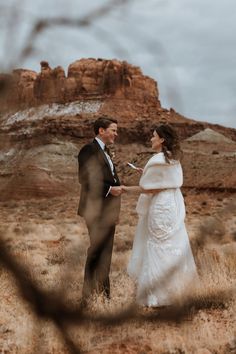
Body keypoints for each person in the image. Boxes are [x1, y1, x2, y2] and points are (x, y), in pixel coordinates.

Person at [123, 124, 198, 307]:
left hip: (161, 205)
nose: (151, 139)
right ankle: (179, 293)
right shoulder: (172, 158)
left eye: (154, 136)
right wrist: (147, 174)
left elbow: (150, 188)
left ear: (162, 140)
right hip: (173, 204)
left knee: (157, 245)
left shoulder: (157, 160)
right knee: (173, 242)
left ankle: (159, 296)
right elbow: (166, 181)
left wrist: (125, 188)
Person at [78, 117, 122, 301]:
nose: (116, 133)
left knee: (106, 253)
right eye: (113, 130)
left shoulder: (106, 152)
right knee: (96, 251)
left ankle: (104, 296)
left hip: (108, 211)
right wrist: (110, 189)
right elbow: (85, 178)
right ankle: (87, 297)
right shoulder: (88, 150)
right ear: (101, 131)